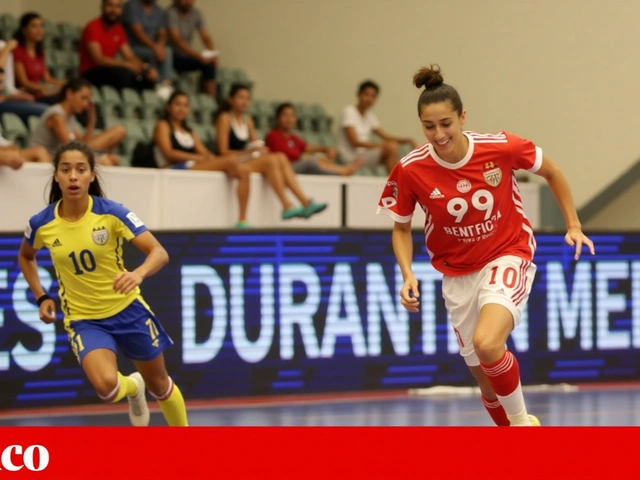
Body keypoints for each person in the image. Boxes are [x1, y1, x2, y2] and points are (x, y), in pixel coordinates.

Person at [377, 64, 595, 427]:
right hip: (457, 273)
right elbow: (401, 229)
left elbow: (552, 171)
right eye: (429, 126)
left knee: (488, 343)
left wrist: (573, 224)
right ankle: (511, 429)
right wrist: (406, 273)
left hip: (508, 252)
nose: (439, 134)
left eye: (446, 123)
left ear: (462, 117)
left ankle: (523, 426)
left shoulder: (500, 147)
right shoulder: (410, 169)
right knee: (487, 382)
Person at [17, 141, 189, 427]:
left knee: (160, 384)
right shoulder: (41, 224)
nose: (73, 176)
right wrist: (41, 296)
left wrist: (138, 274)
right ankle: (133, 388)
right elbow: (25, 256)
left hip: (128, 309)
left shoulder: (112, 213)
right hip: (85, 319)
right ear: (56, 176)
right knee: (107, 388)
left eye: (81, 169)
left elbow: (159, 252)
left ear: (92, 175)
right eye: (66, 169)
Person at [215, 84, 327, 221]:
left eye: (247, 98)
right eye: (240, 98)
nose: (244, 102)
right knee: (272, 160)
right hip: (231, 162)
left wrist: (259, 150)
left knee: (279, 157)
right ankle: (287, 205)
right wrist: (249, 152)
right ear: (230, 100)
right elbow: (223, 152)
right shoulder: (225, 119)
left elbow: (254, 144)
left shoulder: (248, 120)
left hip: (244, 160)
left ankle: (304, 202)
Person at [153, 90, 251, 228]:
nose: (182, 109)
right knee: (230, 161)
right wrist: (198, 158)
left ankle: (242, 219)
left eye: (186, 105)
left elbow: (205, 153)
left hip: (189, 165)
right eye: (178, 104)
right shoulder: (163, 125)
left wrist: (213, 160)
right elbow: (169, 153)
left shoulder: (189, 130)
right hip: (172, 169)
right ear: (168, 107)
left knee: (244, 170)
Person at [30, 78, 124, 166]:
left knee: (114, 148)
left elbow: (84, 143)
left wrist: (91, 121)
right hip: (44, 159)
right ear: (69, 94)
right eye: (83, 98)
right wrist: (99, 158)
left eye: (88, 100)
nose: (86, 104)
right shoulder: (56, 115)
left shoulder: (70, 117)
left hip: (61, 157)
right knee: (106, 161)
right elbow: (69, 147)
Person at [337, 80, 416, 173]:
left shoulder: (369, 116)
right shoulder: (349, 112)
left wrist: (407, 140)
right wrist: (381, 145)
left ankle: (393, 182)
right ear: (359, 94)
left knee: (392, 146)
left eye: (373, 96)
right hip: (349, 157)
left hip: (363, 155)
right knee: (391, 147)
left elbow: (385, 136)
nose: (369, 99)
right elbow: (355, 143)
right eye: (366, 94)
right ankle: (394, 183)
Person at [79, 0, 159, 93]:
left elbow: (129, 56)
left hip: (111, 71)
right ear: (102, 7)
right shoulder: (92, 27)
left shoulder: (119, 29)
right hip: (91, 73)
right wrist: (127, 65)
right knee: (123, 74)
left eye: (117, 7)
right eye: (110, 5)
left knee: (147, 78)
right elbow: (99, 59)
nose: (113, 10)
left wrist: (145, 68)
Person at [265, 102, 363, 176]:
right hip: (283, 168)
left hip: (296, 167)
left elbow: (307, 148)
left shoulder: (294, 138)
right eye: (285, 115)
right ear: (278, 118)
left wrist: (326, 149)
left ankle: (342, 170)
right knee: (311, 162)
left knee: (317, 160)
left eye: (292, 115)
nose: (289, 119)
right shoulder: (272, 135)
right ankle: (341, 171)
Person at [166, 0, 217, 98]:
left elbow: (205, 36)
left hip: (187, 56)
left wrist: (212, 53)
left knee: (210, 64)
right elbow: (177, 40)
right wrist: (198, 56)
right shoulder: (171, 13)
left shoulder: (196, 13)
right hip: (172, 57)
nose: (187, 2)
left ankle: (211, 101)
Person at [12, 12, 66, 104]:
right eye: (34, 26)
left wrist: (66, 84)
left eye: (41, 26)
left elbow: (47, 79)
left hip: (41, 92)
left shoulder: (40, 53)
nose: (39, 30)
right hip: (26, 96)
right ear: (24, 30)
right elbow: (24, 82)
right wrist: (45, 88)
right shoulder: (17, 51)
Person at [122, 0, 174, 94]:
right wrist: (155, 47)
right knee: (153, 53)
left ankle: (166, 84)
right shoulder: (132, 6)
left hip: (153, 48)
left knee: (167, 50)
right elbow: (138, 32)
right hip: (133, 48)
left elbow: (162, 33)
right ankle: (156, 84)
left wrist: (160, 46)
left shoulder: (159, 10)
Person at [0, 39, 48, 125]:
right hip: (4, 102)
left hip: (7, 98)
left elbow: (5, 91)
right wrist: (7, 48)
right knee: (47, 111)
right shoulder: (5, 47)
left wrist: (18, 94)